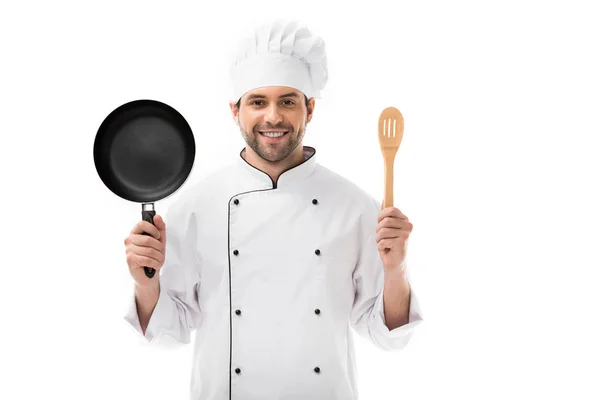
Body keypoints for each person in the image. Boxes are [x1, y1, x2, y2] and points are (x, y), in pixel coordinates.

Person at [123, 19, 423, 400]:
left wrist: (395, 270)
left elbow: (388, 337)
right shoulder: (196, 206)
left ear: (310, 109)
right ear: (235, 110)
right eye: (258, 102)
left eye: (287, 101)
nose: (273, 117)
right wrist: (145, 283)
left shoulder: (356, 208)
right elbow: (168, 334)